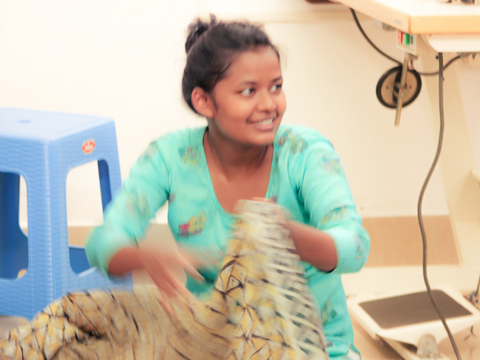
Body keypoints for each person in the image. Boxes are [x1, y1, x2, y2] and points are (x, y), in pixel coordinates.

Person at [85, 15, 370, 360]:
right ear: (204, 101)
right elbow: (104, 241)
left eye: (276, 87)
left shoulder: (304, 153)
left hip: (313, 349)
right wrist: (143, 257)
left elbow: (355, 247)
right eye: (249, 91)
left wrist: (281, 234)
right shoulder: (171, 157)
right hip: (214, 344)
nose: (269, 104)